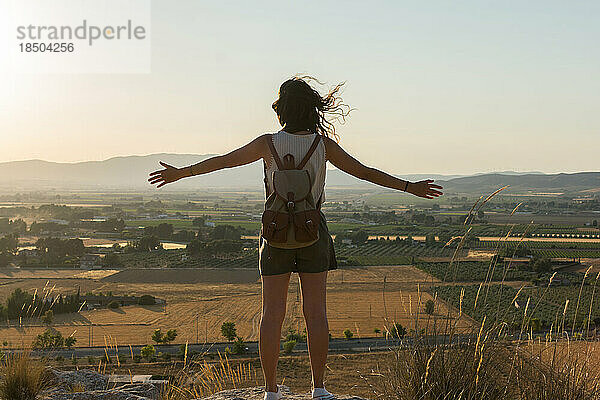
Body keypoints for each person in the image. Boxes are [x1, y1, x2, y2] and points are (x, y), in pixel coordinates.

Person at [149, 76, 443, 400]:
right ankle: (318, 388)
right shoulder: (323, 146)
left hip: (274, 236)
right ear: (312, 110)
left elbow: (223, 161)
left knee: (271, 315)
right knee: (315, 314)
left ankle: (271, 391)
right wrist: (409, 187)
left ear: (282, 110)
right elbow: (365, 171)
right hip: (312, 234)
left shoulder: (267, 143)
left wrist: (181, 173)